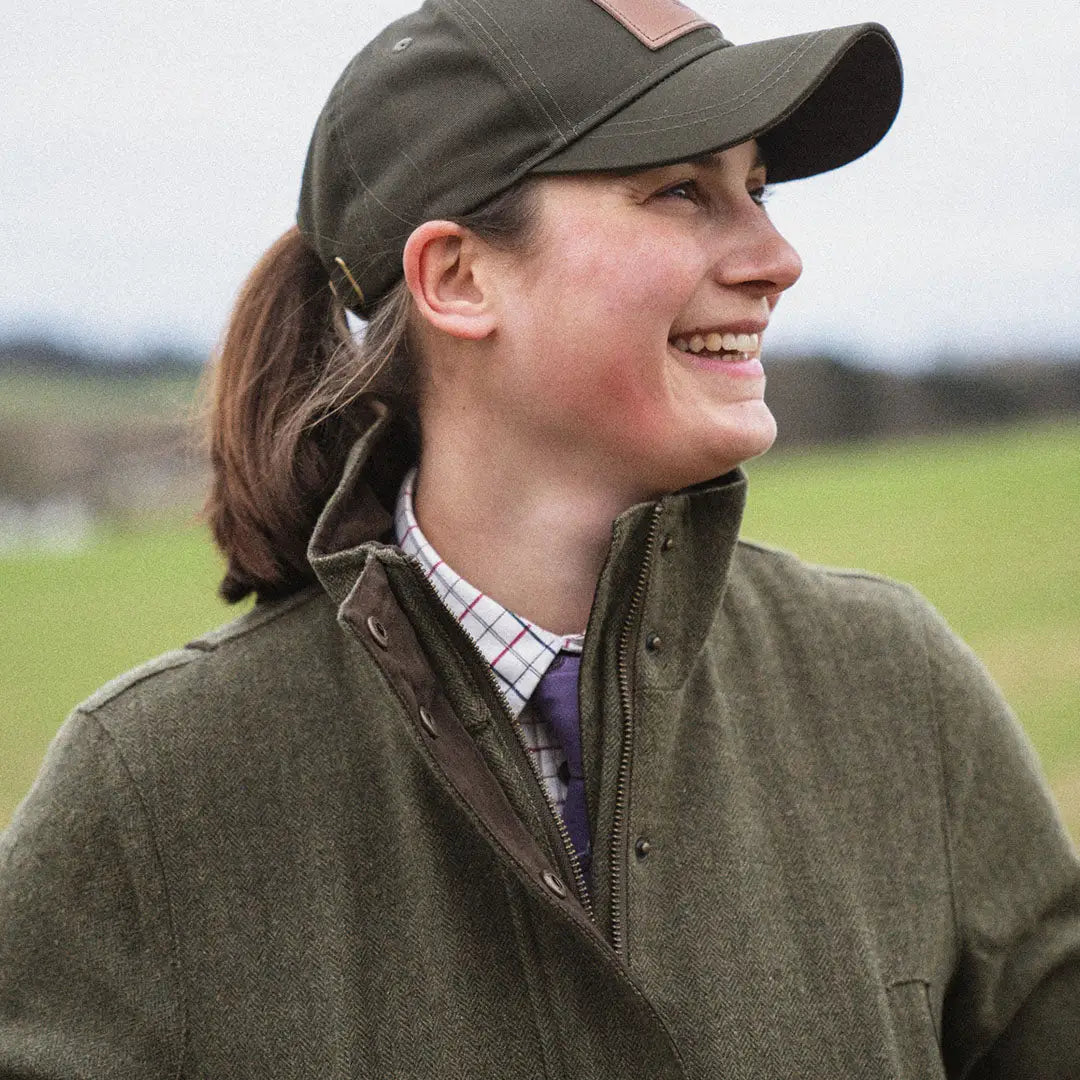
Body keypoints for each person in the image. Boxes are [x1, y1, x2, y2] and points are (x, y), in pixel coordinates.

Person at [1, 0, 1077, 1075]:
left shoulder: (892, 691)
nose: (777, 255)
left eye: (756, 188)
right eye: (681, 190)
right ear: (458, 278)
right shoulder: (151, 795)